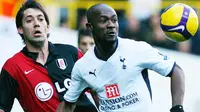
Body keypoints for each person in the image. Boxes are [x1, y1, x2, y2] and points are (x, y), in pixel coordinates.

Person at [56, 3, 185, 112]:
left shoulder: (137, 49)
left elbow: (176, 71)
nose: (111, 24)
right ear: (90, 27)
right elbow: (68, 103)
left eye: (114, 20)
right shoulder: (82, 66)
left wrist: (177, 108)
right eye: (103, 20)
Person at [0, 1, 97, 112]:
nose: (36, 23)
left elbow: (96, 90)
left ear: (47, 26)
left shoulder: (71, 53)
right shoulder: (13, 67)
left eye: (40, 19)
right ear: (20, 29)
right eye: (29, 20)